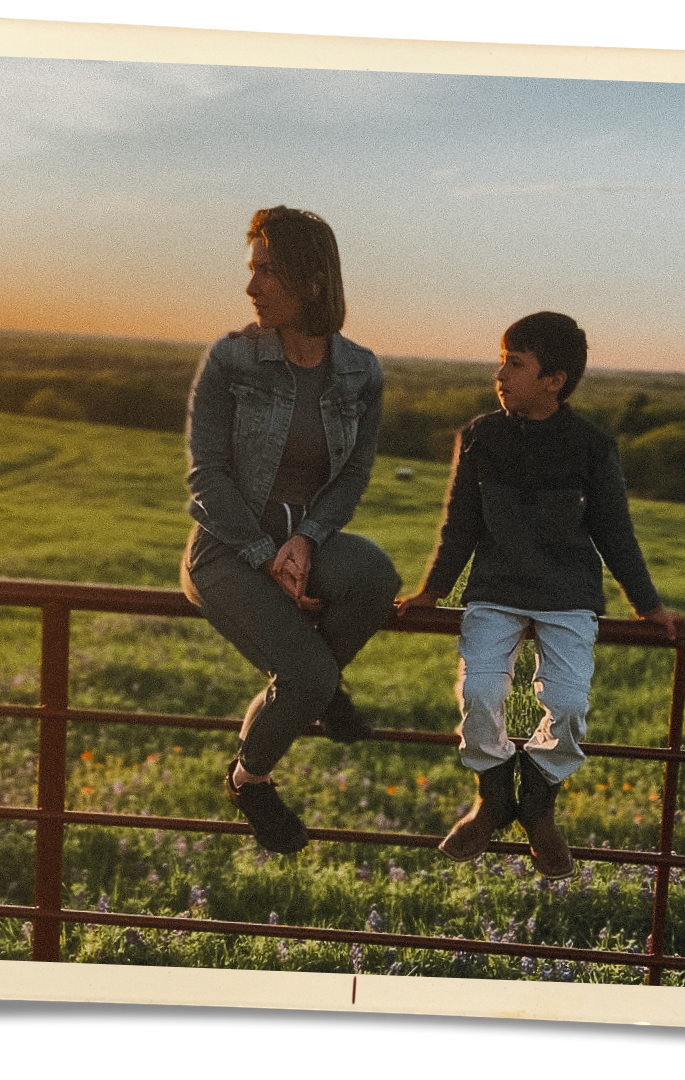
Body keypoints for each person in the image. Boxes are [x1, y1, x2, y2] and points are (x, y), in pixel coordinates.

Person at [396, 312, 685, 880]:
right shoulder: (480, 436)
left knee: (571, 705)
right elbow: (460, 523)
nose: (500, 373)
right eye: (502, 360)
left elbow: (614, 531)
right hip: (495, 591)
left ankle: (538, 804)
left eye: (515, 363)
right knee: (479, 691)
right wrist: (433, 590)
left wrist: (648, 605)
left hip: (568, 595)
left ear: (554, 380)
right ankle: (490, 798)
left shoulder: (591, 446)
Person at [181, 206, 401, 855]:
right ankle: (251, 780)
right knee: (305, 676)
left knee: (375, 574)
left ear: (311, 279)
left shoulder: (360, 370)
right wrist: (262, 553)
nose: (251, 287)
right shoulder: (231, 359)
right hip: (225, 549)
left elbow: (354, 472)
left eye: (267, 271)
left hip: (306, 542)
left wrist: (306, 540)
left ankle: (321, 686)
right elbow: (207, 475)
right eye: (252, 270)